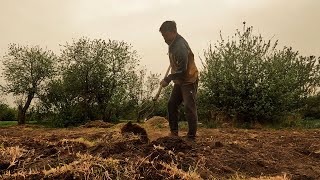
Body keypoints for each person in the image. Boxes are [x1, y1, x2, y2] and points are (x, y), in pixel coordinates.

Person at [159, 21, 199, 140]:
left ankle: (191, 137)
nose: (164, 39)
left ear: (173, 32)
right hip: (179, 80)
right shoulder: (172, 43)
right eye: (163, 36)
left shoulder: (180, 46)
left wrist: (168, 79)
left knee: (189, 106)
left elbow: (182, 69)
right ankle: (174, 133)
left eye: (166, 35)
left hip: (188, 79)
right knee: (172, 104)